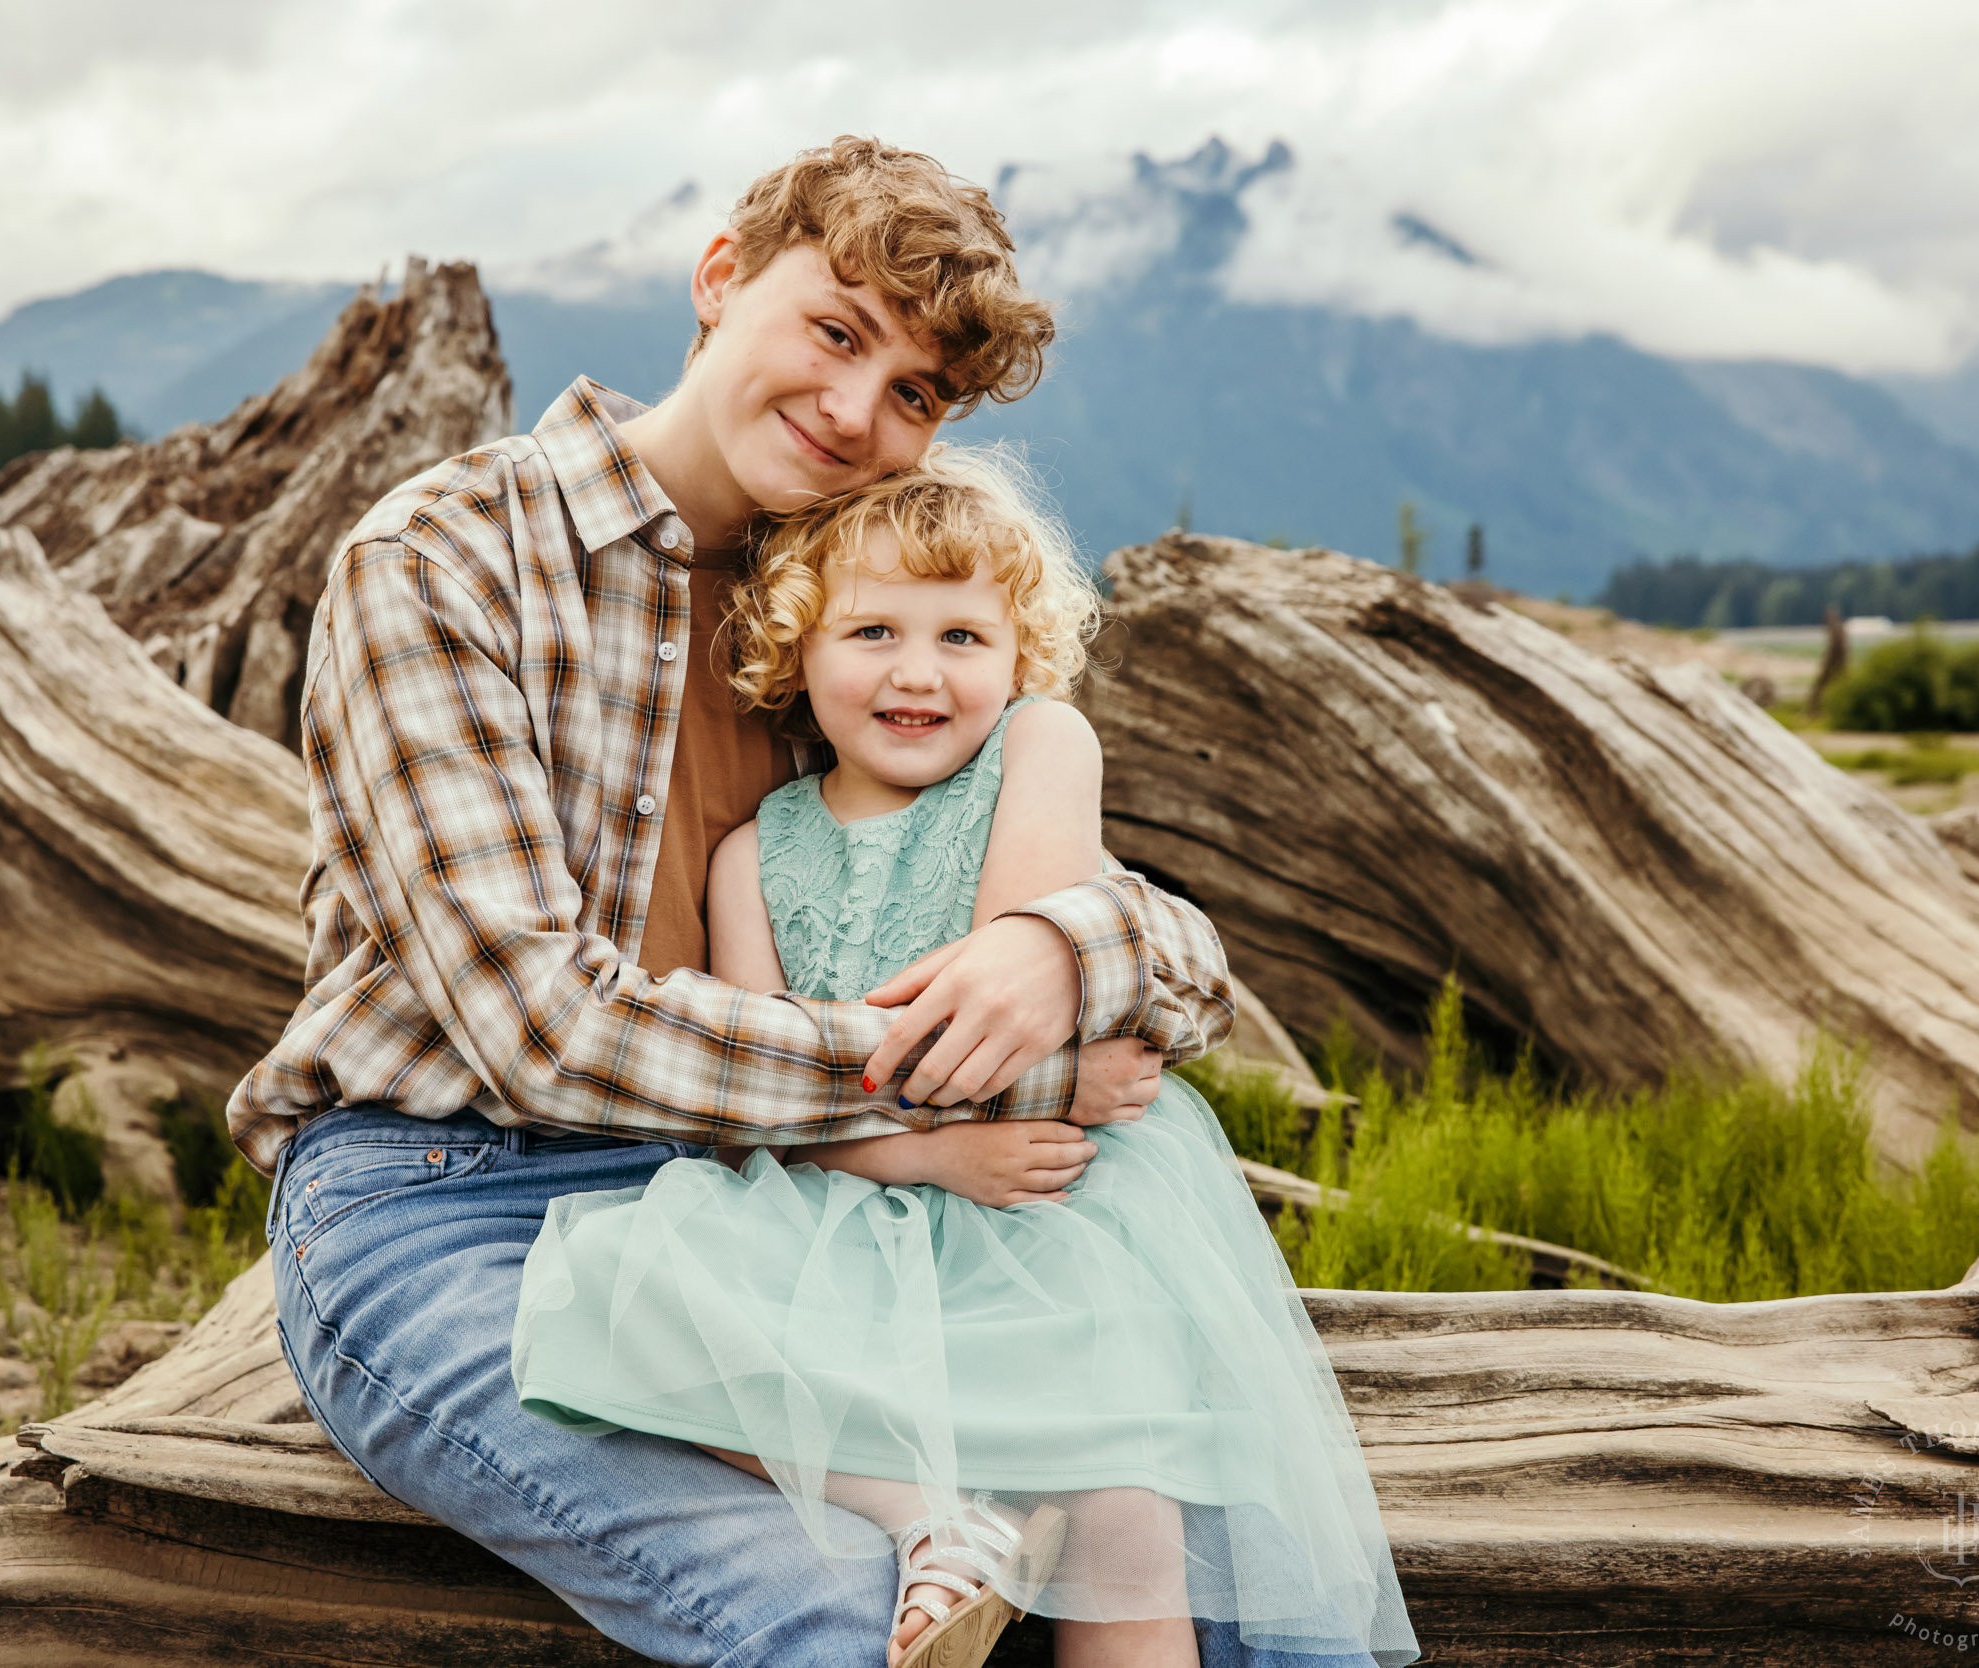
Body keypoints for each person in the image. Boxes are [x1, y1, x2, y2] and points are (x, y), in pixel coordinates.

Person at [232, 137, 1274, 1666]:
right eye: (836, 332)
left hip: (795, 1203)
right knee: (840, 1618)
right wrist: (1021, 1063)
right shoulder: (446, 559)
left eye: (917, 393)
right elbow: (543, 1029)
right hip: (449, 1197)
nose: (859, 411)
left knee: (1185, 1556)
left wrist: (1063, 948)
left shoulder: (864, 619)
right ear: (720, 280)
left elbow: (1172, 955)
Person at [512, 450, 1420, 1668]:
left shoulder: (1043, 749)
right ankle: (936, 1517)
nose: (917, 672)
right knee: (616, 1314)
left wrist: (990, 1114)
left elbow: (1006, 985)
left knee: (1122, 1508)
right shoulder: (752, 853)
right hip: (857, 1193)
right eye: (873, 630)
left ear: (1018, 657)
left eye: (962, 637)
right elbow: (749, 1099)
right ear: (796, 652)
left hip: (1046, 1221)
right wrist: (928, 1153)